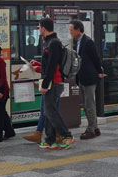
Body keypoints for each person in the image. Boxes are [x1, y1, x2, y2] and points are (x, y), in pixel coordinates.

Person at [33, 17, 74, 150]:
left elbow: (52, 66)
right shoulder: (49, 42)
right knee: (48, 111)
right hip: (52, 81)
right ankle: (50, 140)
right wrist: (38, 65)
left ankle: (67, 136)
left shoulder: (53, 43)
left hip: (54, 82)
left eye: (39, 27)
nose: (38, 29)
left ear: (44, 28)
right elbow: (49, 64)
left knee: (50, 111)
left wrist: (44, 85)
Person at [69, 19, 104, 140]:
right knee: (86, 104)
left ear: (78, 30)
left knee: (89, 105)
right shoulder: (77, 41)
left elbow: (96, 58)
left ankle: (91, 129)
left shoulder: (88, 42)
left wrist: (100, 71)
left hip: (89, 77)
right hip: (82, 77)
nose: (71, 33)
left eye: (72, 30)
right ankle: (95, 127)